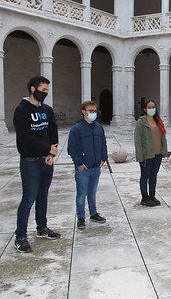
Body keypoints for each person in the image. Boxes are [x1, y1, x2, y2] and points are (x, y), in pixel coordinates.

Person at [13, 76, 61, 253]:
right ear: (32, 89)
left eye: (47, 90)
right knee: (29, 197)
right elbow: (24, 139)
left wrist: (51, 152)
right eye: (43, 90)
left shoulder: (47, 110)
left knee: (43, 195)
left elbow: (52, 131)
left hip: (46, 159)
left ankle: (42, 227)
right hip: (30, 160)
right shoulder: (21, 110)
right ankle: (20, 236)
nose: (45, 93)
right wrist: (46, 148)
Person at [67, 100, 108, 229]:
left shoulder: (99, 127)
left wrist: (103, 158)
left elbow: (103, 144)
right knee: (81, 194)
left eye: (95, 111)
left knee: (92, 192)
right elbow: (71, 148)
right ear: (83, 112)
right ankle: (80, 217)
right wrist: (78, 163)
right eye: (91, 111)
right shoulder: (76, 129)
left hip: (96, 166)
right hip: (83, 168)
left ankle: (93, 213)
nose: (93, 113)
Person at [134, 100, 168, 207]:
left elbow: (163, 137)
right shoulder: (141, 122)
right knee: (145, 175)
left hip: (157, 153)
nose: (152, 109)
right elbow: (137, 139)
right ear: (145, 109)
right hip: (146, 154)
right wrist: (139, 156)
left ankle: (152, 195)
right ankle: (145, 197)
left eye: (153, 107)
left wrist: (164, 150)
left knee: (154, 175)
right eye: (149, 107)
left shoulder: (158, 120)